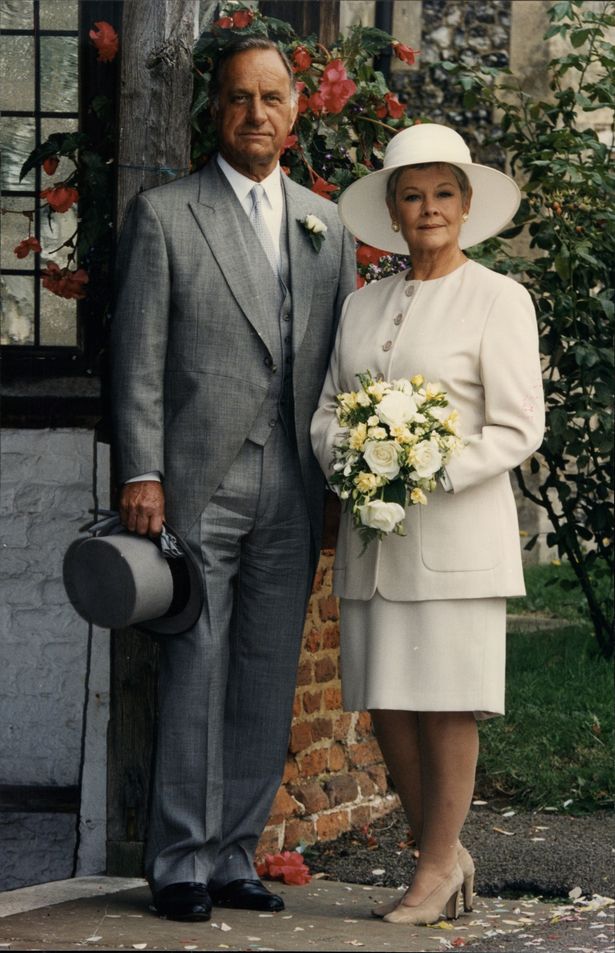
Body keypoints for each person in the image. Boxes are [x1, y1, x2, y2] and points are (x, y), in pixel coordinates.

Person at [111, 36, 355, 922]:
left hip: (293, 481)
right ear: (216, 111)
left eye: (273, 98)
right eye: (239, 98)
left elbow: (336, 368)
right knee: (195, 663)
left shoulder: (328, 231)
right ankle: (176, 857)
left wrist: (339, 482)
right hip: (194, 478)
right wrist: (141, 468)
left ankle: (233, 854)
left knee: (264, 669)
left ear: (296, 111)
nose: (257, 113)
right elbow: (136, 359)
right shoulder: (167, 215)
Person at [311, 123, 545, 926]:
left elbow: (518, 425)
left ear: (466, 203)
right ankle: (440, 857)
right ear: (392, 209)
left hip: (454, 537)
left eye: (443, 192)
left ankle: (436, 865)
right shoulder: (360, 304)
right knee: (387, 703)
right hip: (375, 541)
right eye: (411, 195)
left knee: (445, 701)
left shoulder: (498, 298)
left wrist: (424, 465)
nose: (428, 207)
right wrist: (353, 458)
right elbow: (326, 413)